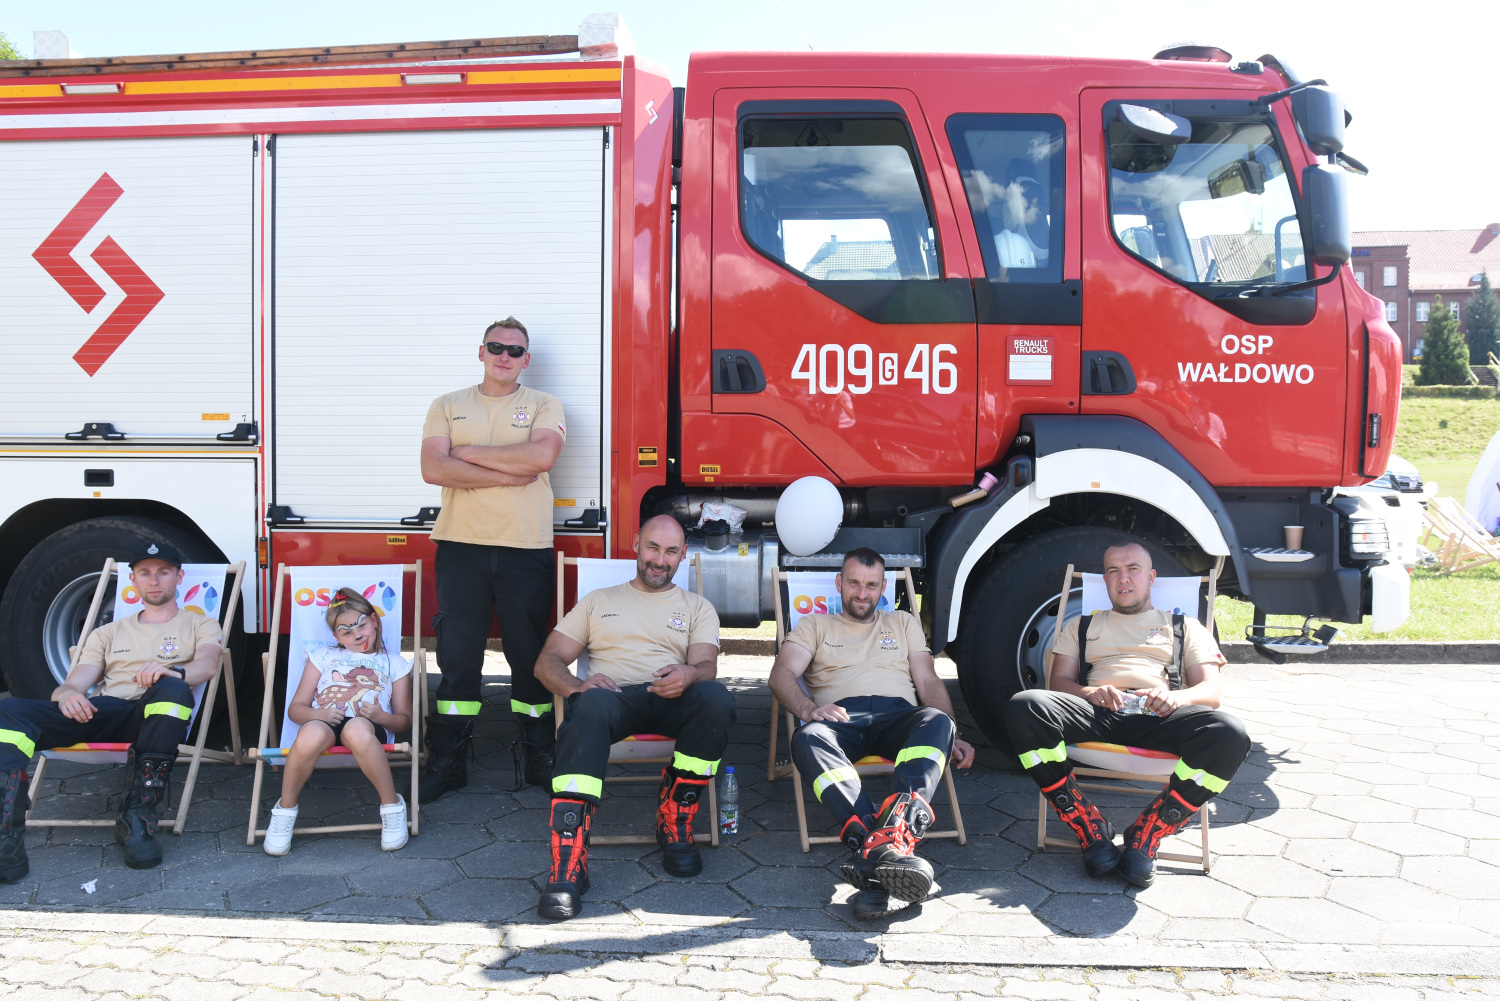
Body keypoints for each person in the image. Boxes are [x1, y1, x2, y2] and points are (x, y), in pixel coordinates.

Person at [1005, 541, 1252, 887]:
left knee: (1230, 734)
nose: (1123, 579)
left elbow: (1211, 692)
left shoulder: (1184, 626)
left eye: (1133, 569)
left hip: (1160, 717)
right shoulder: (1081, 626)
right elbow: (1057, 683)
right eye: (1113, 571)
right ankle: (1086, 822)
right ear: (1105, 580)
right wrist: (1090, 692)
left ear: (1151, 577)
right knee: (1025, 706)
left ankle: (1151, 830)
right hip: (1098, 714)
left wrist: (1174, 698)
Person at [531, 515, 734, 921]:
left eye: (671, 551)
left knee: (716, 699)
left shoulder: (697, 607)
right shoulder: (598, 601)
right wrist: (577, 687)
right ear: (636, 544)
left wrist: (689, 674)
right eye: (653, 548)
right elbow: (547, 661)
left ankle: (676, 819)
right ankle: (568, 861)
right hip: (614, 699)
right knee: (588, 707)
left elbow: (706, 666)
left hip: (672, 697)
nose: (660, 560)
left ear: (683, 555)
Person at [769, 548, 975, 920]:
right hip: (841, 718)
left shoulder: (902, 622)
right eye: (854, 583)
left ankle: (874, 849)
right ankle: (890, 846)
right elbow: (781, 674)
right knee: (808, 737)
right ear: (839, 583)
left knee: (938, 722)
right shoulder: (815, 625)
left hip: (898, 715)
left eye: (871, 585)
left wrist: (952, 732)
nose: (862, 593)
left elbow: (928, 680)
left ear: (883, 588)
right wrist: (808, 710)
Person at [0, 544, 220, 877]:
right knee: (9, 711)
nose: (154, 580)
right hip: (104, 711)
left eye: (163, 572)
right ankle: (7, 841)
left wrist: (173, 673)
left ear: (179, 577)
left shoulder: (200, 624)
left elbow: (208, 664)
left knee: (173, 690)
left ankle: (136, 818)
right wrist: (67, 696)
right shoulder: (107, 632)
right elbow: (73, 683)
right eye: (145, 573)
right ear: (133, 580)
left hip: (155, 718)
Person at [420, 317, 565, 798]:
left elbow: (541, 459)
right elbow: (433, 468)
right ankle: (448, 760)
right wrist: (507, 472)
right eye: (496, 347)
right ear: (480, 352)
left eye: (515, 350)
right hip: (461, 546)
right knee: (457, 656)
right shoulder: (447, 404)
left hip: (526, 548)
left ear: (526, 359)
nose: (505, 356)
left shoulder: (544, 404)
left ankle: (540, 753)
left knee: (529, 656)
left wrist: (467, 454)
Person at [262, 587, 414, 856]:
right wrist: (317, 714)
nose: (358, 635)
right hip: (324, 721)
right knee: (310, 734)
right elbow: (295, 710)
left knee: (356, 729)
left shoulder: (394, 663)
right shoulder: (322, 657)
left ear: (374, 620)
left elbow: (404, 722)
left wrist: (381, 716)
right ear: (336, 637)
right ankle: (284, 812)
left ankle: (392, 807)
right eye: (346, 632)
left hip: (368, 724)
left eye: (362, 625)